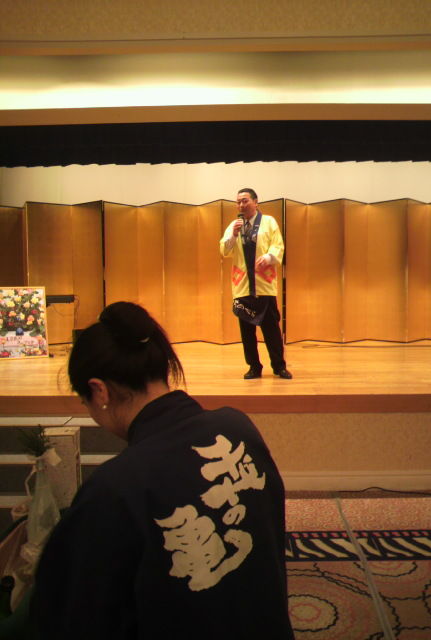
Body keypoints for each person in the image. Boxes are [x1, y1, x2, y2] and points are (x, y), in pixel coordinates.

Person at [29, 301, 294, 640]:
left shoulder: (115, 489)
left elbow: (68, 616)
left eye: (85, 402)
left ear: (99, 391)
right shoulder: (239, 429)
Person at [220, 188, 292, 379]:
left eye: (245, 201)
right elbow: (224, 250)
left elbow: (278, 245)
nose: (241, 205)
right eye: (238, 202)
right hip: (243, 286)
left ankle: (279, 366)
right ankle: (254, 367)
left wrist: (269, 257)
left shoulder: (269, 222)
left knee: (271, 330)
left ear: (255, 202)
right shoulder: (234, 225)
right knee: (247, 332)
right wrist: (233, 235)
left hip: (264, 285)